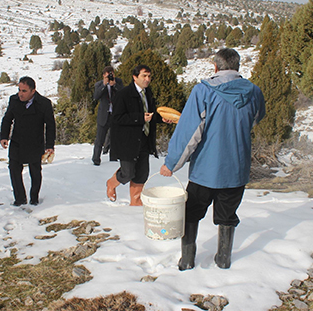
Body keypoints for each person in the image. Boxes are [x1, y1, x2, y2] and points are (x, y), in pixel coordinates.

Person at [160, 48, 265, 270]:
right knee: (227, 215)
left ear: (216, 67)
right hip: (236, 169)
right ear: (237, 67)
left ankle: (187, 260)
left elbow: (190, 132)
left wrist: (171, 163)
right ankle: (223, 259)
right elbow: (255, 118)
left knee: (191, 213)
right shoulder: (254, 92)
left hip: (206, 170)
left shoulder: (203, 91)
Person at [107, 64, 168, 206]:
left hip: (145, 139)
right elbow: (116, 118)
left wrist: (161, 118)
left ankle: (135, 203)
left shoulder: (148, 93)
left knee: (142, 173)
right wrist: (139, 118)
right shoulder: (123, 95)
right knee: (128, 173)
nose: (147, 79)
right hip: (128, 141)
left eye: (149, 76)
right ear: (135, 77)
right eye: (144, 76)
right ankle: (111, 183)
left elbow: (150, 114)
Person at [0, 76, 56, 206]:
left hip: (35, 143)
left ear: (33, 91)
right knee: (14, 169)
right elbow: (7, 118)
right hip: (17, 141)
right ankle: (20, 198)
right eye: (19, 90)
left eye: (24, 91)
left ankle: (34, 198)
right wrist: (4, 136)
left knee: (35, 172)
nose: (20, 93)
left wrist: (50, 145)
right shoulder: (14, 100)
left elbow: (50, 125)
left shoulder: (44, 103)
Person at [92, 66, 124, 166]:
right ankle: (96, 159)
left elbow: (123, 94)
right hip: (104, 115)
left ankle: (113, 158)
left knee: (115, 138)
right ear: (104, 75)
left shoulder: (118, 82)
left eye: (112, 74)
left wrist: (114, 85)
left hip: (115, 114)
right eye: (108, 74)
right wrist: (104, 85)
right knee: (100, 138)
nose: (110, 76)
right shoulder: (99, 84)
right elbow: (96, 97)